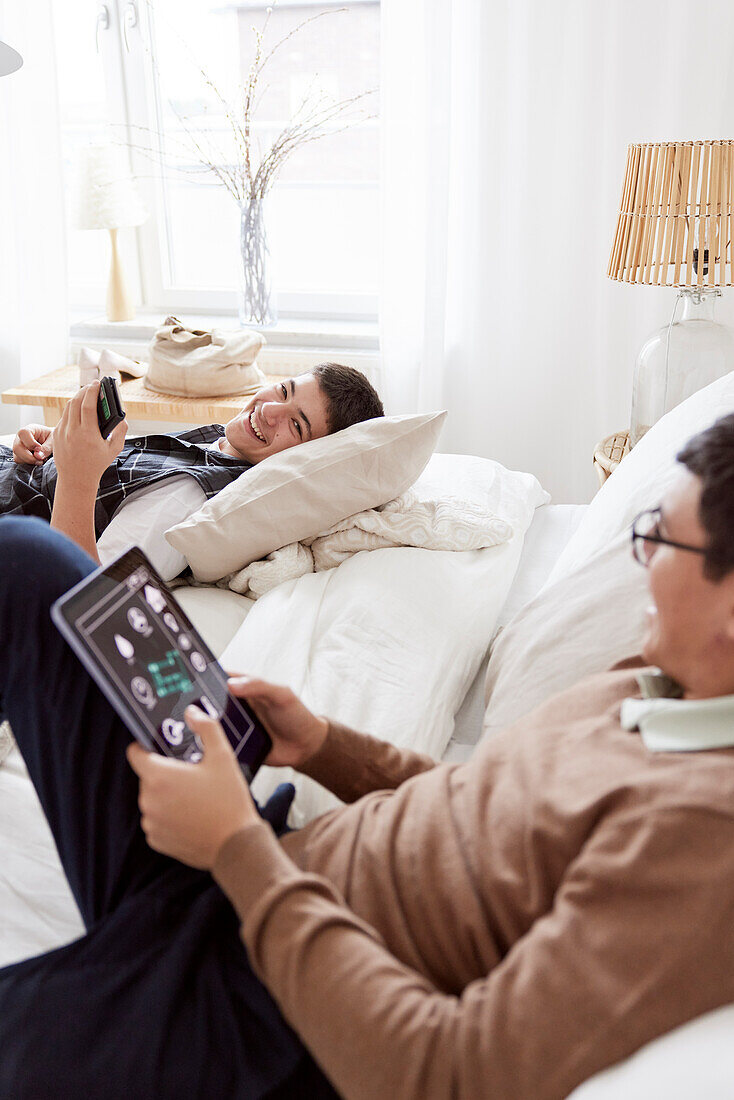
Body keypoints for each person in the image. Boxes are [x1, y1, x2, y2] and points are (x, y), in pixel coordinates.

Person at [2, 414, 734, 1100]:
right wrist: (324, 745)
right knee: (29, 562)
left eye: (661, 539)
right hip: (264, 873)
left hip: (273, 1009)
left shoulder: (701, 839)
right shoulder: (655, 688)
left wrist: (236, 847)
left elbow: (453, 1075)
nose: (641, 561)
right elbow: (491, 808)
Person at [0, 362, 384, 578]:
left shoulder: (189, 500)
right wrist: (56, 446)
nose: (269, 410)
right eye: (284, 391)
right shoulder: (220, 441)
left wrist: (74, 476)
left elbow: (90, 591)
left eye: (297, 425)